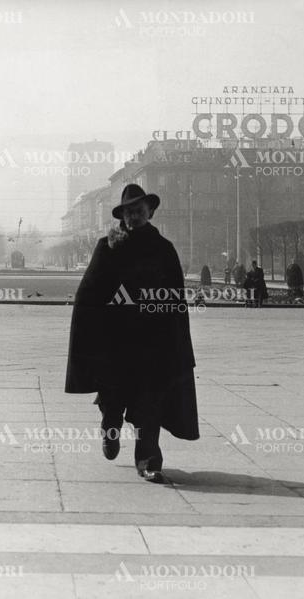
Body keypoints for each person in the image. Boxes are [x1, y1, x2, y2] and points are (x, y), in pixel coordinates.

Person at [65, 184, 199, 484]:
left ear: (150, 212)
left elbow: (175, 296)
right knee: (113, 400)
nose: (134, 217)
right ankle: (110, 431)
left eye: (139, 211)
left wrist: (176, 338)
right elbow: (90, 291)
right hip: (115, 341)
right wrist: (94, 324)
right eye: (129, 212)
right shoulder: (108, 246)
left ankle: (149, 460)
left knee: (149, 403)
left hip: (152, 342)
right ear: (122, 216)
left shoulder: (163, 249)